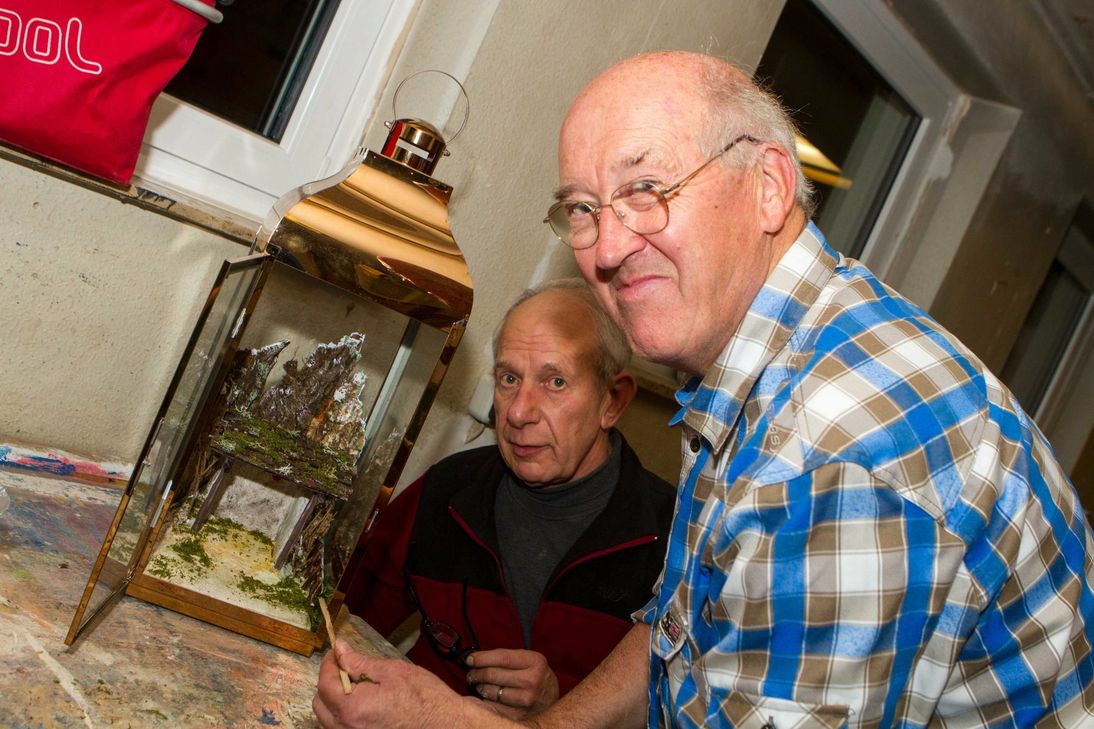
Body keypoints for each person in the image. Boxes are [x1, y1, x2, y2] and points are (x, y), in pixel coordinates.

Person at [315, 51, 1094, 728]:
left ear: (769, 185)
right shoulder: (762, 368)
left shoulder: (836, 453)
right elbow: (677, 631)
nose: (609, 247)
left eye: (646, 187)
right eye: (583, 209)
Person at [337, 278, 675, 719]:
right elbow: (343, 625)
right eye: (509, 378)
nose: (517, 412)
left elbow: (682, 710)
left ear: (612, 401)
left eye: (554, 382)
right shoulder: (446, 494)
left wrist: (563, 702)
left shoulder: (672, 539)